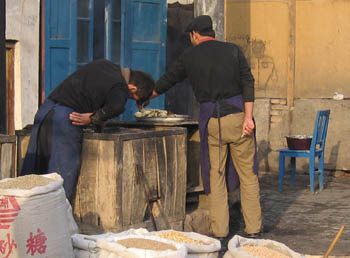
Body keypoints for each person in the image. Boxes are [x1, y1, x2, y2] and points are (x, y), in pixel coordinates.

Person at [150, 15, 262, 239]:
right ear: (212, 32)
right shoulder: (232, 50)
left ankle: (220, 231)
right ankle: (253, 230)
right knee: (248, 176)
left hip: (212, 123)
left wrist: (147, 95)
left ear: (194, 34)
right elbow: (248, 81)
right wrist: (249, 118)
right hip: (239, 120)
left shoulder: (189, 56)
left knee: (216, 175)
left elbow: (169, 79)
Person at [21, 59, 155, 202]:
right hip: (66, 118)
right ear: (132, 88)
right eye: (131, 97)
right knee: (61, 174)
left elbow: (93, 93)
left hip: (45, 111)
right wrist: (92, 118)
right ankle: (56, 214)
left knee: (36, 166)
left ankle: (26, 208)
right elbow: (116, 107)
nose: (127, 99)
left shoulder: (105, 65)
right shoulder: (120, 85)